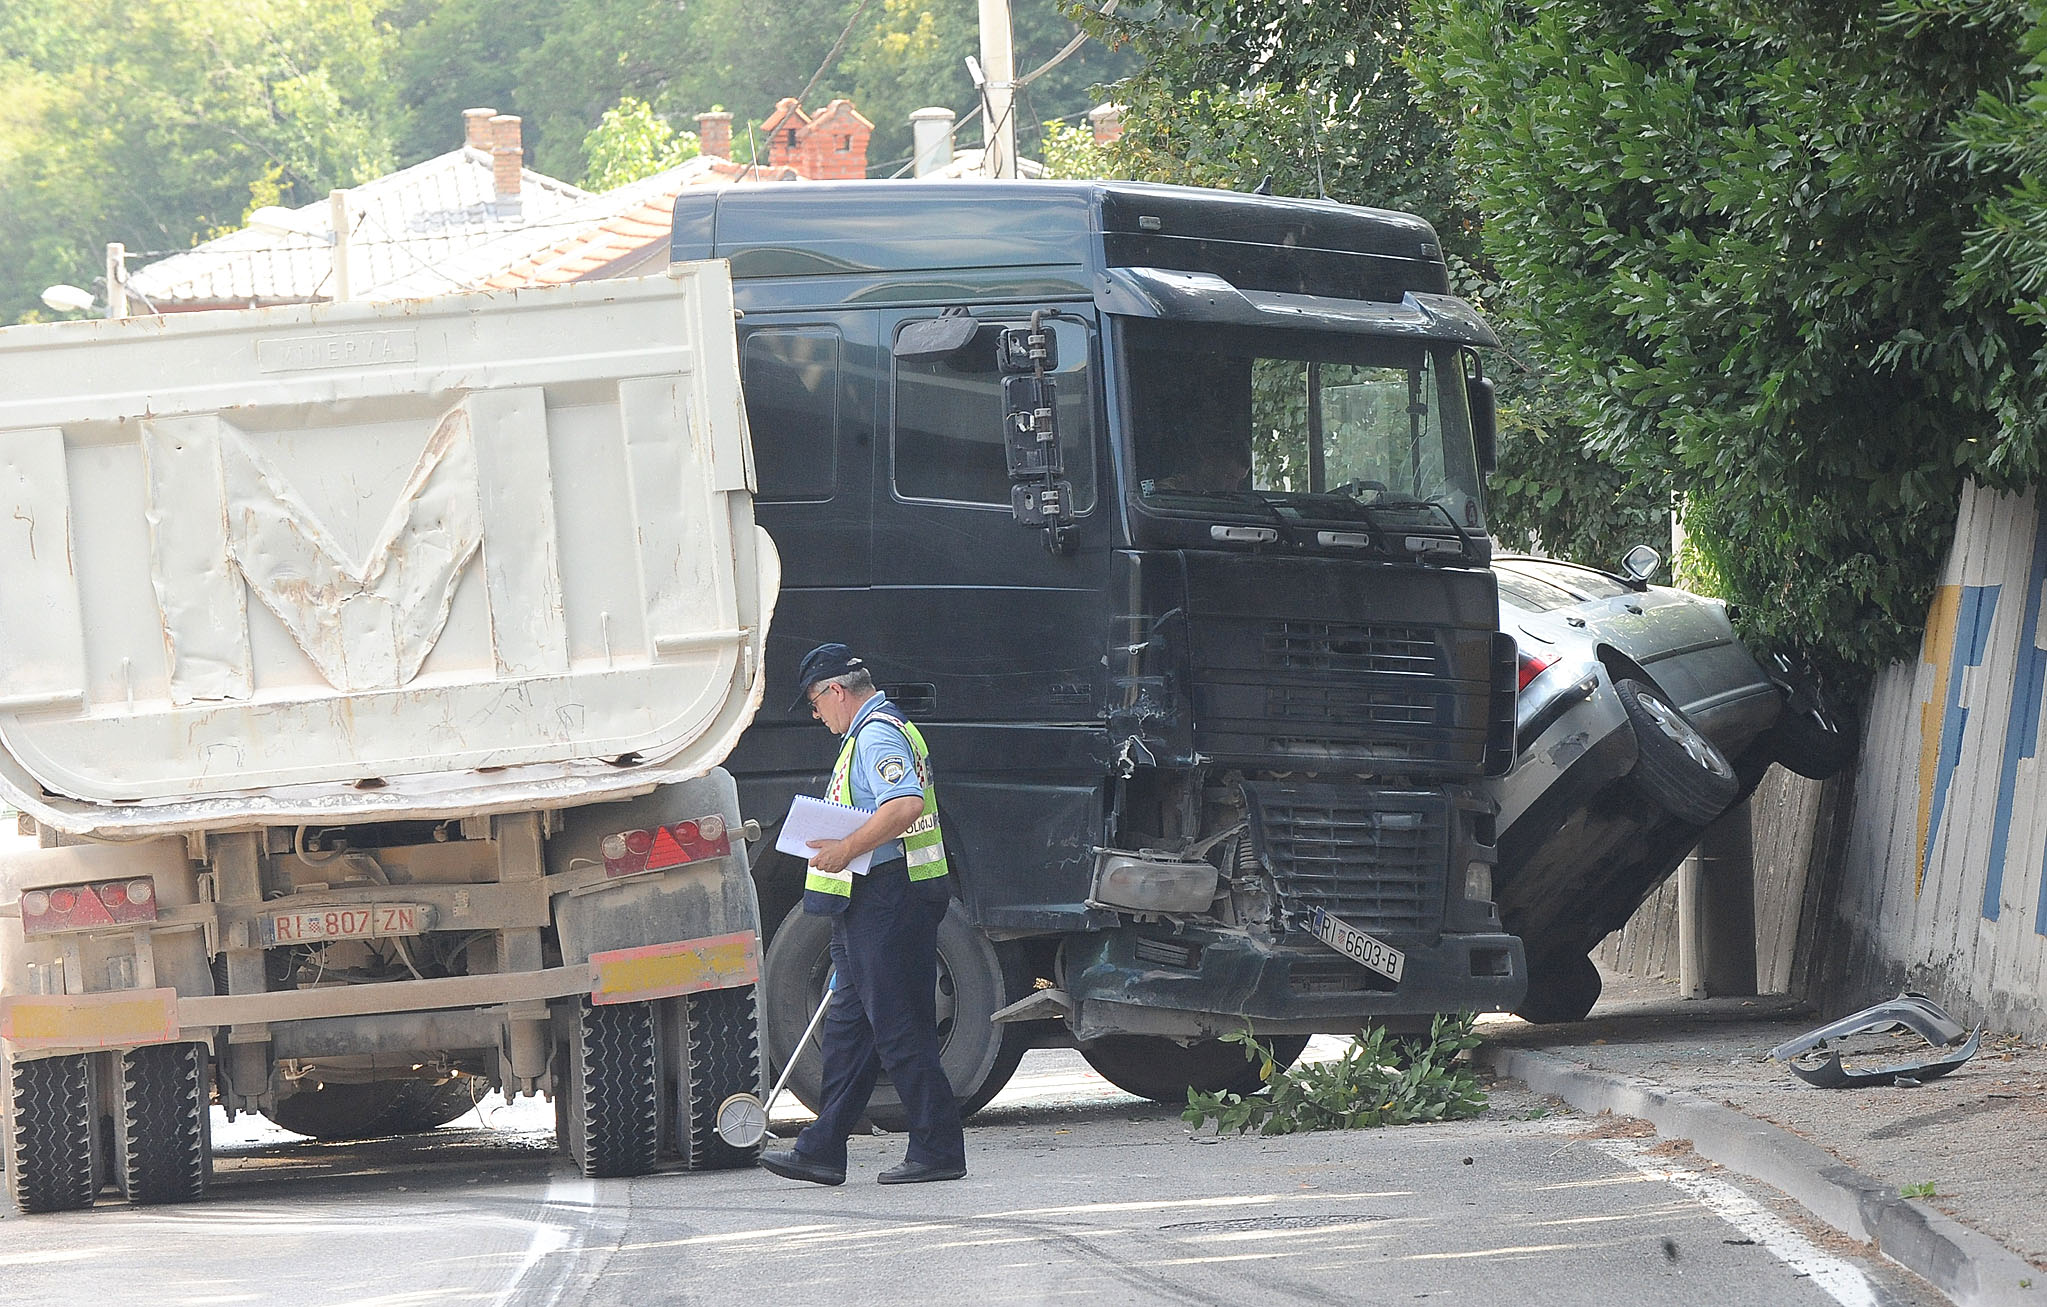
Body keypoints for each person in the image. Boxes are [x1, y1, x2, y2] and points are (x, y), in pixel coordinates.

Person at [758, 643, 966, 1186]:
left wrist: (845, 848)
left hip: (890, 898)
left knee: (898, 1025)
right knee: (849, 1028)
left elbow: (904, 805)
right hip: (870, 901)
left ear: (835, 690)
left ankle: (938, 1148)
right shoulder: (868, 733)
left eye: (814, 702)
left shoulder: (876, 734)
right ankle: (823, 1149)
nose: (816, 715)